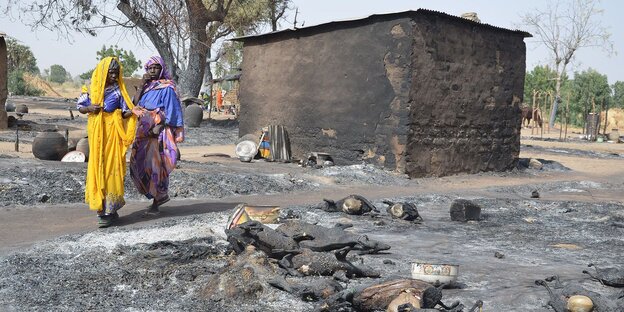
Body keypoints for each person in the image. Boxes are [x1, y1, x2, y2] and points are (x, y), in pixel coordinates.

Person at [77, 57, 138, 228]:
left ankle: (110, 209)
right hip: (97, 137)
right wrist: (90, 109)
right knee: (97, 169)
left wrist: (133, 109)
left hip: (112, 136)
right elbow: (80, 107)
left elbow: (125, 112)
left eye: (116, 73)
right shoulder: (91, 88)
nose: (113, 76)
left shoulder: (119, 91)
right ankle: (100, 209)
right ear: (103, 72)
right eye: (111, 72)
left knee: (112, 169)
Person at [129, 55, 184, 215]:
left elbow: (172, 110)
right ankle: (154, 196)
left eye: (156, 67)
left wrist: (159, 127)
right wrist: (141, 85)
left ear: (162, 69)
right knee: (138, 162)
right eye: (150, 68)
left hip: (158, 131)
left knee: (156, 166)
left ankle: (157, 200)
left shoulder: (167, 88)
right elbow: (134, 104)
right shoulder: (146, 87)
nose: (153, 70)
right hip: (143, 130)